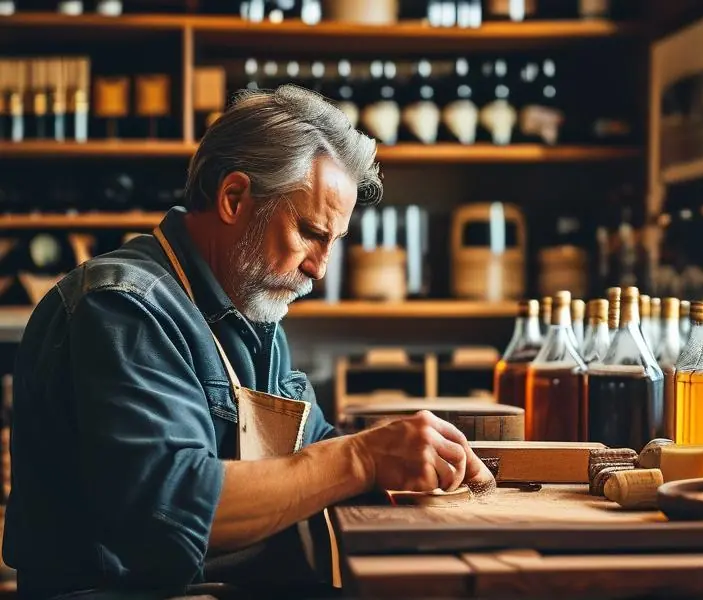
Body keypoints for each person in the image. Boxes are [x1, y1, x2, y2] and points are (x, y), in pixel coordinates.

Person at [3, 85, 492, 600]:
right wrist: (363, 459)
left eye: (333, 243)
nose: (319, 269)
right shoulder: (122, 308)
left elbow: (311, 447)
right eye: (310, 232)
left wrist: (413, 453)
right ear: (234, 198)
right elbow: (174, 511)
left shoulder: (251, 313)